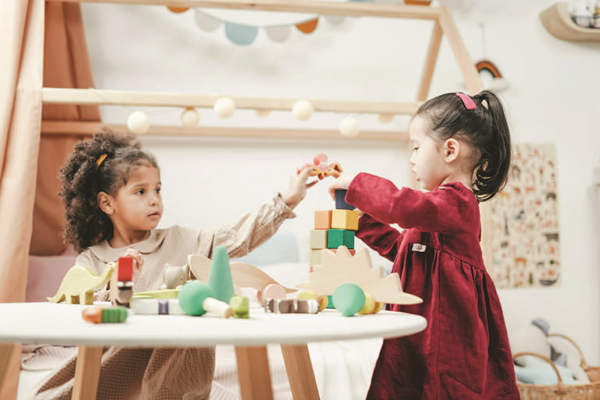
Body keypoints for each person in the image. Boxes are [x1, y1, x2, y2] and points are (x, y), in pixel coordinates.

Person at [32, 130, 317, 400]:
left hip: (175, 377)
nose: (155, 199)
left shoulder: (181, 240)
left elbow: (238, 235)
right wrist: (121, 284)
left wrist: (289, 198)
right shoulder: (91, 260)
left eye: (157, 189)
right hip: (116, 372)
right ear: (107, 203)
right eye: (140, 192)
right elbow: (83, 315)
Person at [329, 91, 520, 399]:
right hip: (420, 329)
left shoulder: (457, 202)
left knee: (443, 388)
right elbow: (403, 248)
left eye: (417, 147)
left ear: (450, 150)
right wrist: (362, 220)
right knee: (407, 384)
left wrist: (359, 185)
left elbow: (406, 209)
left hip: (448, 333)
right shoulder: (435, 213)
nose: (412, 158)